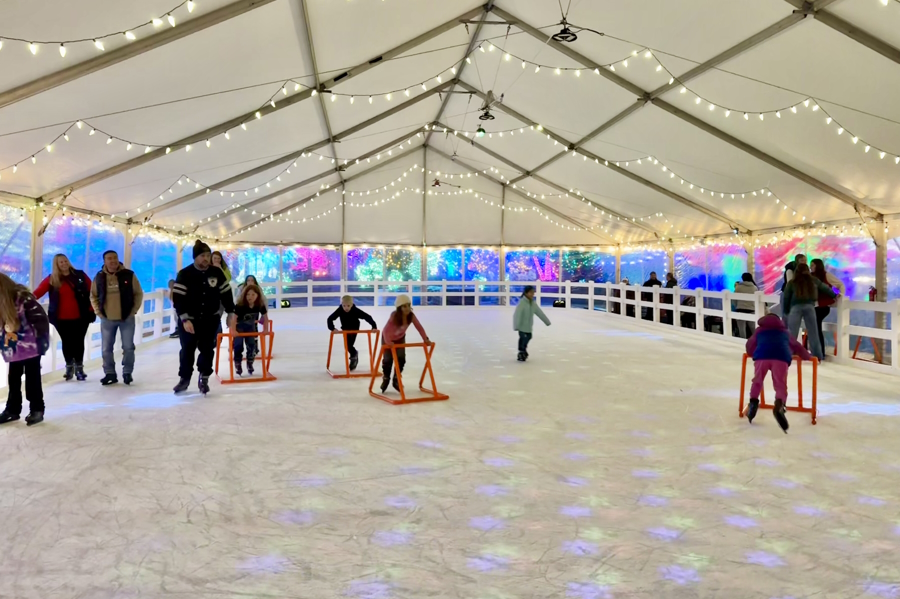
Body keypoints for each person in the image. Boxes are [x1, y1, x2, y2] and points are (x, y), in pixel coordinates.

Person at [172, 240, 236, 395]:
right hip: (190, 320)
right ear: (195, 257)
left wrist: (231, 312)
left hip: (210, 319)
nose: (206, 259)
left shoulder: (217, 273)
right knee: (187, 349)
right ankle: (184, 378)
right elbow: (178, 299)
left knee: (207, 349)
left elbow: (226, 294)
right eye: (202, 256)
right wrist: (185, 319)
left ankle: (204, 377)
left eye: (208, 255)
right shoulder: (185, 274)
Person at [745, 313, 813, 433]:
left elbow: (750, 344)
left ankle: (753, 403)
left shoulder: (759, 331)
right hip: (781, 358)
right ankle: (779, 405)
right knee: (780, 384)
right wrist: (807, 356)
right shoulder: (785, 332)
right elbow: (796, 346)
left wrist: (752, 353)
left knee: (757, 381)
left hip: (762, 357)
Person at [33, 253, 95, 380]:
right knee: (67, 342)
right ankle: (69, 367)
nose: (64, 264)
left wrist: (94, 308)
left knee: (78, 342)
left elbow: (93, 290)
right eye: (61, 262)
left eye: (65, 261)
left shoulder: (80, 275)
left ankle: (79, 369)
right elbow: (38, 292)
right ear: (56, 265)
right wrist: (23, 299)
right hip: (60, 318)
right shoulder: (52, 279)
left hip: (81, 316)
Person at [0, 274, 50, 426]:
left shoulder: (23, 299)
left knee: (32, 378)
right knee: (13, 378)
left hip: (30, 346)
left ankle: (37, 409)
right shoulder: (2, 301)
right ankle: (12, 410)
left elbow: (40, 319)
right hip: (12, 347)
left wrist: (41, 342)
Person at [91, 250, 143, 386]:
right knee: (106, 348)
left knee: (128, 347)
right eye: (109, 258)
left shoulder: (129, 275)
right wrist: (99, 312)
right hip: (107, 319)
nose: (112, 261)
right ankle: (110, 373)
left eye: (115, 258)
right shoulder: (99, 277)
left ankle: (127, 372)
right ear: (105, 261)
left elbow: (138, 293)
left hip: (126, 318)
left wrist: (133, 311)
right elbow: (94, 296)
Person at [783, 263, 835, 362]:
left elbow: (786, 297)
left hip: (795, 307)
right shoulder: (813, 280)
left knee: (792, 332)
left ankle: (787, 355)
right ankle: (817, 357)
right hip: (810, 307)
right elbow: (825, 288)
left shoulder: (792, 282)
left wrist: (786, 310)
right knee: (813, 332)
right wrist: (834, 295)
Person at [380, 294, 428, 393]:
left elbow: (419, 327)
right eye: (404, 306)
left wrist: (425, 339)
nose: (407, 308)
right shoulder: (394, 316)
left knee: (401, 358)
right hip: (387, 338)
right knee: (388, 359)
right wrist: (388, 342)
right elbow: (385, 331)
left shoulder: (411, 316)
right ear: (399, 308)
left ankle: (396, 379)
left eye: (408, 305)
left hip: (400, 339)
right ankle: (386, 378)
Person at [327, 295, 377, 371]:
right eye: (344, 306)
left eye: (348, 306)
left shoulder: (355, 310)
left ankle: (354, 356)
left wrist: (374, 326)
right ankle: (354, 355)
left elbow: (367, 316)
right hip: (345, 329)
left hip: (354, 328)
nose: (346, 308)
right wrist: (332, 328)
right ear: (341, 304)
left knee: (349, 345)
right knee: (347, 346)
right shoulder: (340, 310)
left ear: (352, 304)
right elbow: (330, 319)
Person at [810, 258, 844, 357]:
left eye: (812, 265)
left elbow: (840, 284)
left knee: (816, 327)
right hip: (815, 306)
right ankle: (818, 352)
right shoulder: (811, 276)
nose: (811, 267)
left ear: (817, 266)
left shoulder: (826, 275)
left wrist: (840, 294)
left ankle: (819, 352)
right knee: (815, 327)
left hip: (822, 306)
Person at [233, 283, 268, 376]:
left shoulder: (259, 305)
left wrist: (265, 329)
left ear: (257, 296)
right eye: (248, 294)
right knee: (238, 346)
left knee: (252, 346)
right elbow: (234, 318)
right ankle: (237, 364)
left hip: (250, 328)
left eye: (253, 295)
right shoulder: (240, 306)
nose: (250, 297)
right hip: (239, 328)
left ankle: (250, 363)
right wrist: (233, 330)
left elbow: (265, 317)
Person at [513, 285, 551, 362]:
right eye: (531, 292)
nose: (532, 294)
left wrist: (547, 321)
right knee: (523, 338)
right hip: (521, 326)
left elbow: (540, 313)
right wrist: (516, 325)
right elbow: (517, 315)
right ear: (526, 293)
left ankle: (523, 349)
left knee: (529, 336)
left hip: (529, 326)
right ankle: (521, 351)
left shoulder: (533, 304)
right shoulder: (522, 303)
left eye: (533, 293)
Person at [733, 273, 759, 339]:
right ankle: (755, 342)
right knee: (753, 329)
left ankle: (742, 344)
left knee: (742, 330)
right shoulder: (754, 288)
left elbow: (734, 299)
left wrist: (737, 306)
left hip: (740, 309)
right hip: (751, 310)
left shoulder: (738, 287)